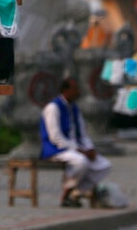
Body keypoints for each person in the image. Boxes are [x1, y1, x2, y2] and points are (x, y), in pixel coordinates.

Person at [40, 77, 112, 207]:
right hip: (57, 149)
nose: (78, 92)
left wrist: (90, 149)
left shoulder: (74, 108)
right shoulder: (53, 108)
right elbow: (55, 137)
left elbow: (83, 134)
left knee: (104, 165)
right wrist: (79, 151)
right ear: (66, 91)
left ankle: (76, 192)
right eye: (75, 89)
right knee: (81, 162)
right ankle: (66, 192)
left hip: (76, 148)